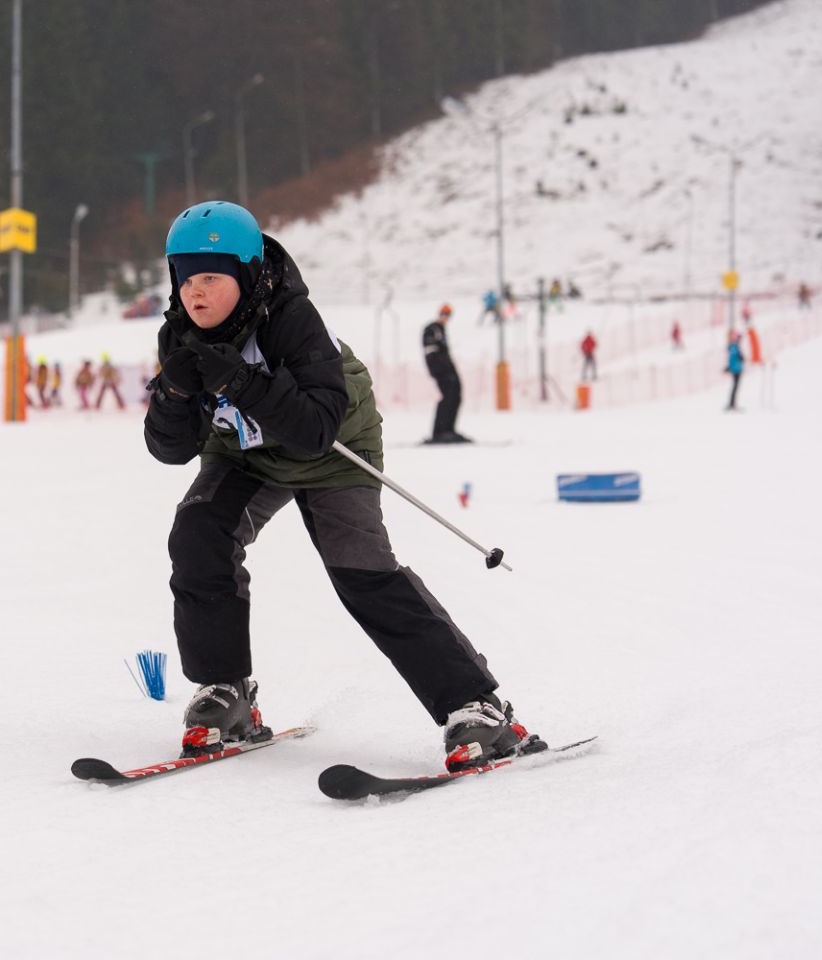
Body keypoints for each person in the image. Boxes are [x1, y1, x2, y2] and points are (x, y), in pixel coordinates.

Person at [143, 199, 544, 773]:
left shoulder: (292, 320)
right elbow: (171, 449)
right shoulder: (180, 336)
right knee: (197, 534)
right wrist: (174, 394)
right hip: (245, 452)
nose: (194, 293)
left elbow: (316, 429)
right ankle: (226, 690)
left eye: (211, 278)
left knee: (362, 572)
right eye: (184, 279)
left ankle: (475, 704)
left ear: (247, 275)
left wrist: (243, 381)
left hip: (333, 450)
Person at [422, 303, 469, 443]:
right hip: (441, 369)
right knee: (448, 396)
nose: (445, 317)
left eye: (448, 315)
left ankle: (449, 429)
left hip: (447, 368)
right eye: (443, 314)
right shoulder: (432, 329)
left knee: (456, 395)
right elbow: (431, 352)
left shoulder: (441, 330)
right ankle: (440, 431)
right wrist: (441, 369)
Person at [725, 330, 745, 411]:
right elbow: (733, 359)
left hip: (737, 369)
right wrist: (730, 367)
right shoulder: (734, 347)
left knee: (735, 387)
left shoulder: (734, 346)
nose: (740, 340)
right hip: (736, 370)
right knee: (735, 387)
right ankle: (732, 404)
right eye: (739, 338)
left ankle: (732, 404)